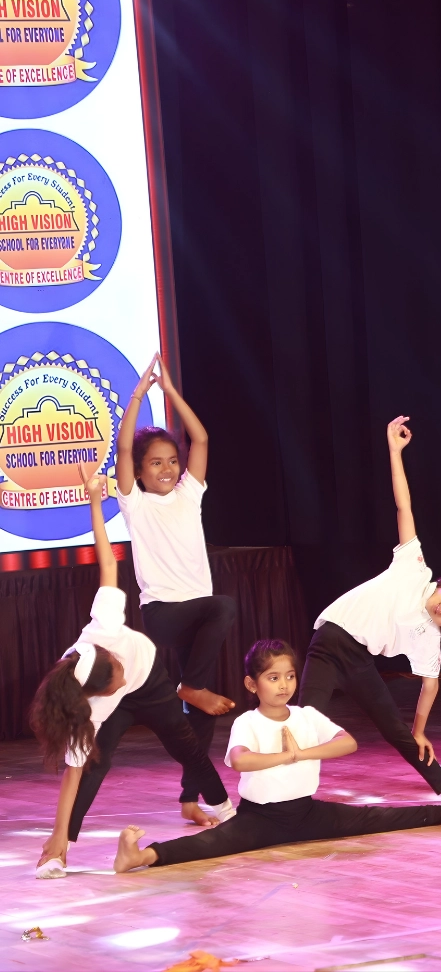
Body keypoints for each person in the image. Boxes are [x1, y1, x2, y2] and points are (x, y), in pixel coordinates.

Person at [113, 639, 441, 871]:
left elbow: (348, 742)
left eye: (289, 676)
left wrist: (302, 752)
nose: (284, 685)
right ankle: (141, 856)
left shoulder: (306, 716)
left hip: (307, 813)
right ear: (252, 684)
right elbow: (240, 759)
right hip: (260, 818)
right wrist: (286, 757)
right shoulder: (247, 721)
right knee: (210, 843)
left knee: (377, 818)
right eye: (273, 678)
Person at [29, 466, 232, 879]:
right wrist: (56, 833)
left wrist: (94, 500)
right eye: (115, 681)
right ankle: (61, 850)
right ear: (98, 694)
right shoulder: (90, 705)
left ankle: (228, 812)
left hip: (152, 683)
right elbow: (72, 773)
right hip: (117, 705)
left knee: (185, 745)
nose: (120, 677)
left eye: (117, 670)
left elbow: (107, 560)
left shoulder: (103, 626)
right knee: (95, 765)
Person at [298, 416, 441, 806]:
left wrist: (419, 729)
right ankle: (282, 797)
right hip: (330, 641)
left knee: (396, 730)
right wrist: (394, 451)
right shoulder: (414, 568)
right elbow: (404, 506)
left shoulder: (429, 636)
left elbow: (431, 685)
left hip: (358, 659)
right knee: (305, 722)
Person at [116, 353, 238, 826]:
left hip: (195, 617)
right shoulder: (136, 504)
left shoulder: (189, 494)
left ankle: (191, 798)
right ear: (140, 471)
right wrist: (138, 397)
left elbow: (200, 438)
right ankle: (190, 687)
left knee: (200, 714)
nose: (166, 469)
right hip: (165, 614)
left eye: (171, 461)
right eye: (155, 463)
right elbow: (122, 448)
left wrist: (170, 392)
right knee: (223, 606)